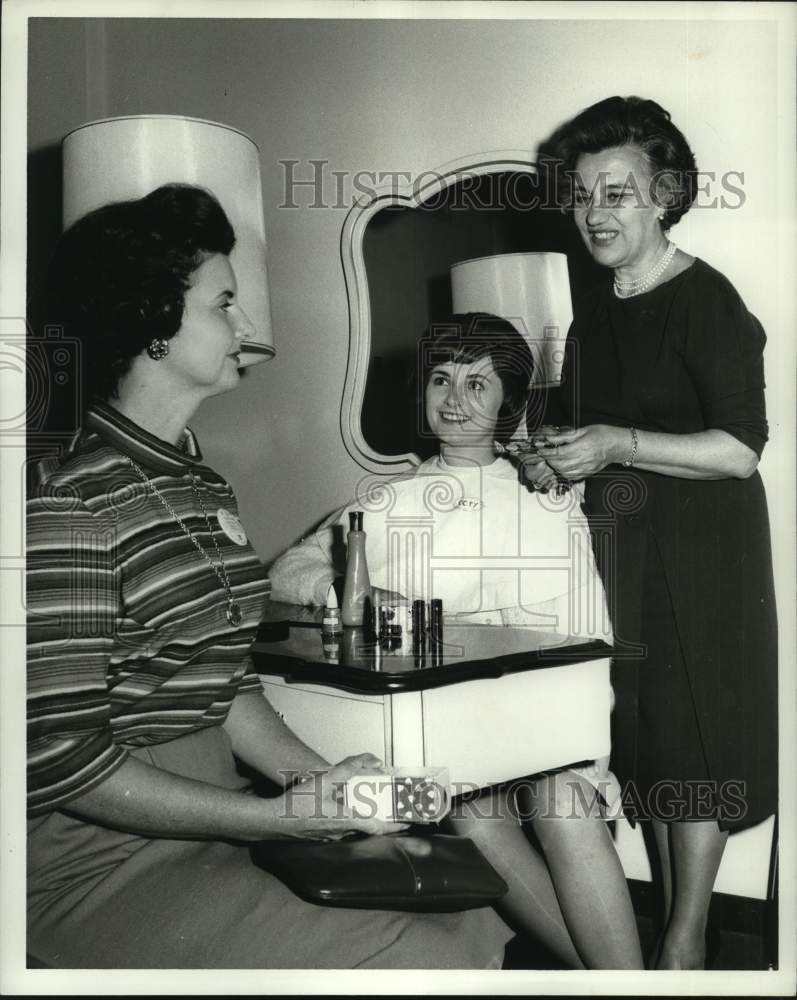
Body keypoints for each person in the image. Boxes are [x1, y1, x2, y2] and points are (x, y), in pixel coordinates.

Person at [26, 184, 515, 969]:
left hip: (211, 816)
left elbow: (225, 687)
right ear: (153, 323)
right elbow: (55, 757)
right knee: (418, 960)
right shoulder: (69, 504)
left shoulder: (201, 485)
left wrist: (329, 788)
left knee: (470, 917)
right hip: (93, 860)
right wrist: (273, 820)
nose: (247, 328)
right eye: (224, 303)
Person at [270, 313, 644, 970]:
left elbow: (585, 634)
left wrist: (576, 747)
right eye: (440, 379)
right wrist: (347, 591)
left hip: (546, 711)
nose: (452, 398)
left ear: (508, 402)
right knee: (469, 810)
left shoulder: (546, 498)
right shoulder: (390, 502)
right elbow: (290, 570)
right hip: (446, 730)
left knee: (562, 805)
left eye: (477, 383)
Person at [527, 96, 778, 970]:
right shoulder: (593, 310)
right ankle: (676, 930)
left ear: (664, 196)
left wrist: (613, 444)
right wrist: (557, 458)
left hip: (704, 550)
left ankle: (683, 938)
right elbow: (587, 432)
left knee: (692, 729)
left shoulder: (706, 299)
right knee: (647, 733)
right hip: (623, 548)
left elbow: (739, 451)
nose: (595, 211)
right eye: (581, 192)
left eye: (618, 192)